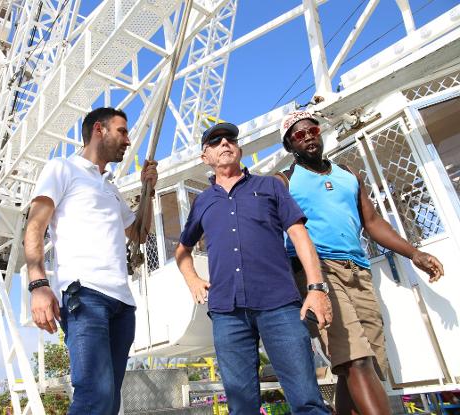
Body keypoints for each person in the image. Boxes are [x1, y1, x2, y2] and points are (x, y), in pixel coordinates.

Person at [278, 110, 445, 415]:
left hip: (359, 272)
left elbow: (372, 221)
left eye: (312, 131)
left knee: (362, 364)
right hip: (319, 273)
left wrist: (414, 253)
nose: (309, 138)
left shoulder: (348, 174)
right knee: (355, 358)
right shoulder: (284, 181)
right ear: (290, 146)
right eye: (299, 136)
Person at [175, 122, 332, 415]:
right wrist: (193, 280)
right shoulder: (203, 202)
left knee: (307, 400)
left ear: (239, 149)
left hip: (280, 305)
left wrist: (316, 288)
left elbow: (299, 236)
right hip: (227, 313)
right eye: (215, 141)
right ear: (204, 157)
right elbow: (182, 251)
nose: (225, 143)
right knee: (241, 407)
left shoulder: (269, 186)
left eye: (230, 139)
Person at [24, 107, 158, 415]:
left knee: (110, 401)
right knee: (93, 396)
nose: (128, 139)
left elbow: (138, 233)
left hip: (122, 303)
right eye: (122, 131)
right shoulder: (62, 169)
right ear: (99, 129)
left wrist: (147, 191)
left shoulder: (111, 188)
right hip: (85, 295)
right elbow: (34, 226)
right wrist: (38, 284)